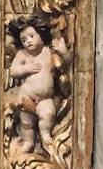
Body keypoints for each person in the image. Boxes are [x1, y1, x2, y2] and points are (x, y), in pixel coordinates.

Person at [6, 16, 68, 153]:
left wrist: (63, 51)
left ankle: (45, 132)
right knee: (26, 122)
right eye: (24, 40)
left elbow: (65, 63)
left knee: (48, 113)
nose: (28, 41)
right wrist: (26, 69)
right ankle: (29, 141)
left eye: (31, 36)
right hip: (26, 96)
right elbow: (13, 71)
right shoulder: (22, 55)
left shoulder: (47, 52)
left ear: (41, 35)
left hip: (44, 99)